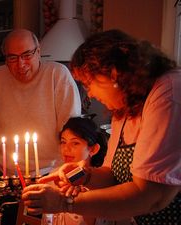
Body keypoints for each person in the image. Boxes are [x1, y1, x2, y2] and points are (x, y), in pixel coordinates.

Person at [22, 29, 181, 224]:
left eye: (89, 84)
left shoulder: (168, 94)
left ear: (113, 73)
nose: (89, 94)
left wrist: (64, 202)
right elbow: (112, 175)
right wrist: (85, 175)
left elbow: (150, 197)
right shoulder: (126, 106)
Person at [0, 28, 81, 225]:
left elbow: (71, 133)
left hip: (47, 177)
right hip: (6, 179)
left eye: (27, 55)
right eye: (12, 57)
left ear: (38, 50)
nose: (21, 64)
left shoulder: (57, 76)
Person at [47, 116, 109, 225]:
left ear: (93, 149)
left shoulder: (102, 182)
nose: (66, 149)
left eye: (75, 143)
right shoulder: (53, 177)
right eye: (63, 142)